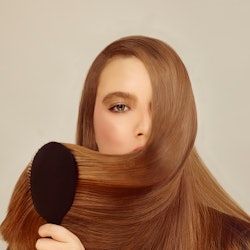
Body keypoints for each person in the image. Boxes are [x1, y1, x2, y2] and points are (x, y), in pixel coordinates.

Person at [1, 35, 250, 249]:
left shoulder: (233, 241)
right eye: (121, 107)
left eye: (161, 109)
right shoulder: (47, 227)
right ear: (91, 121)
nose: (145, 128)